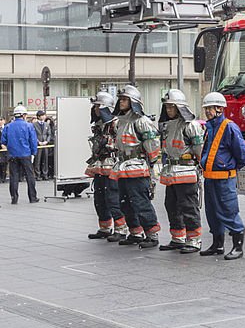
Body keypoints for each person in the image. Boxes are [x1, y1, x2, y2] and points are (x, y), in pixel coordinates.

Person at [199, 92, 245, 260]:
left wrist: (231, 169)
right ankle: (217, 244)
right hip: (210, 178)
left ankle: (238, 247)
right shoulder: (209, 127)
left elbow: (243, 154)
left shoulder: (229, 127)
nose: (207, 112)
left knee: (228, 211)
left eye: (210, 109)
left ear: (220, 109)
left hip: (224, 179)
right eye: (206, 109)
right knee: (212, 212)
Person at [110, 85, 162, 249]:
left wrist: (152, 165)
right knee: (124, 202)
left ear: (134, 102)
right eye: (121, 99)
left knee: (140, 202)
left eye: (125, 99)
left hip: (137, 167)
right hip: (123, 166)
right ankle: (135, 232)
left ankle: (152, 234)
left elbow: (153, 144)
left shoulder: (142, 121)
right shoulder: (120, 121)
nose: (122, 102)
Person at [157, 89, 205, 253]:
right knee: (171, 205)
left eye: (172, 107)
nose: (169, 110)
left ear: (180, 107)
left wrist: (199, 166)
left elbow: (199, 150)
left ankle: (194, 240)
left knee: (188, 206)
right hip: (171, 172)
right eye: (167, 107)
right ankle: (178, 238)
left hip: (186, 171)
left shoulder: (191, 125)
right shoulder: (167, 126)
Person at [85, 92, 128, 241]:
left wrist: (110, 145)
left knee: (113, 198)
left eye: (98, 106)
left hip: (112, 165)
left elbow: (122, 143)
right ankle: (104, 227)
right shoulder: (99, 124)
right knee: (99, 199)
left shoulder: (116, 123)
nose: (95, 109)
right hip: (99, 165)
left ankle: (121, 229)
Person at [1, 105, 39, 204]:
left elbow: (3, 141)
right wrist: (33, 153)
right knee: (30, 176)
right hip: (26, 154)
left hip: (13, 154)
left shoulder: (8, 126)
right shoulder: (29, 126)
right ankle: (32, 198)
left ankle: (14, 198)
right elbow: (33, 141)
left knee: (14, 177)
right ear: (23, 115)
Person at [33, 111, 53, 180]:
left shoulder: (46, 124)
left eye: (44, 115)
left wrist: (46, 141)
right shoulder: (34, 124)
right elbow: (33, 135)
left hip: (45, 144)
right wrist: (38, 142)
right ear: (38, 116)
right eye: (42, 115)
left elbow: (49, 134)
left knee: (45, 160)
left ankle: (45, 174)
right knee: (37, 160)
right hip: (38, 144)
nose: (44, 117)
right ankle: (37, 175)